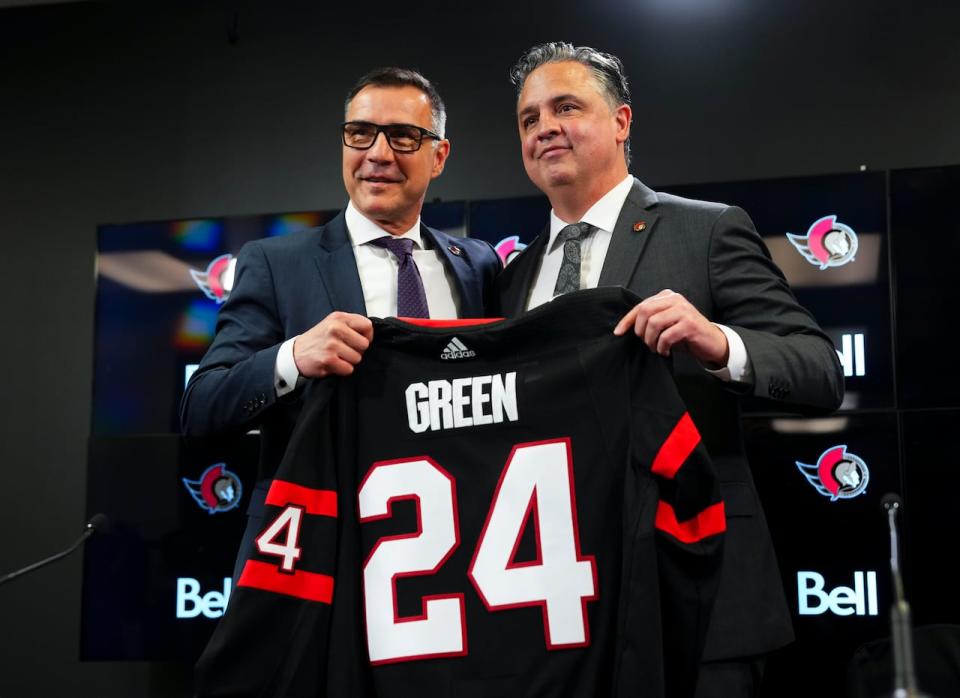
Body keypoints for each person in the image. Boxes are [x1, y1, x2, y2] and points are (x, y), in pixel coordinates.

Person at [495, 42, 844, 698]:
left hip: (696, 585)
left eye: (566, 107)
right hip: (559, 607)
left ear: (622, 121)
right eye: (528, 117)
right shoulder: (513, 278)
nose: (544, 126)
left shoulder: (705, 232)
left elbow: (820, 369)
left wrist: (718, 342)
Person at [181, 67, 501, 578]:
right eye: (360, 133)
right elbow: (201, 408)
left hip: (458, 548)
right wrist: (292, 358)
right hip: (317, 552)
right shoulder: (274, 263)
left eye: (403, 136)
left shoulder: (479, 265)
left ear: (438, 156)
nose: (378, 153)